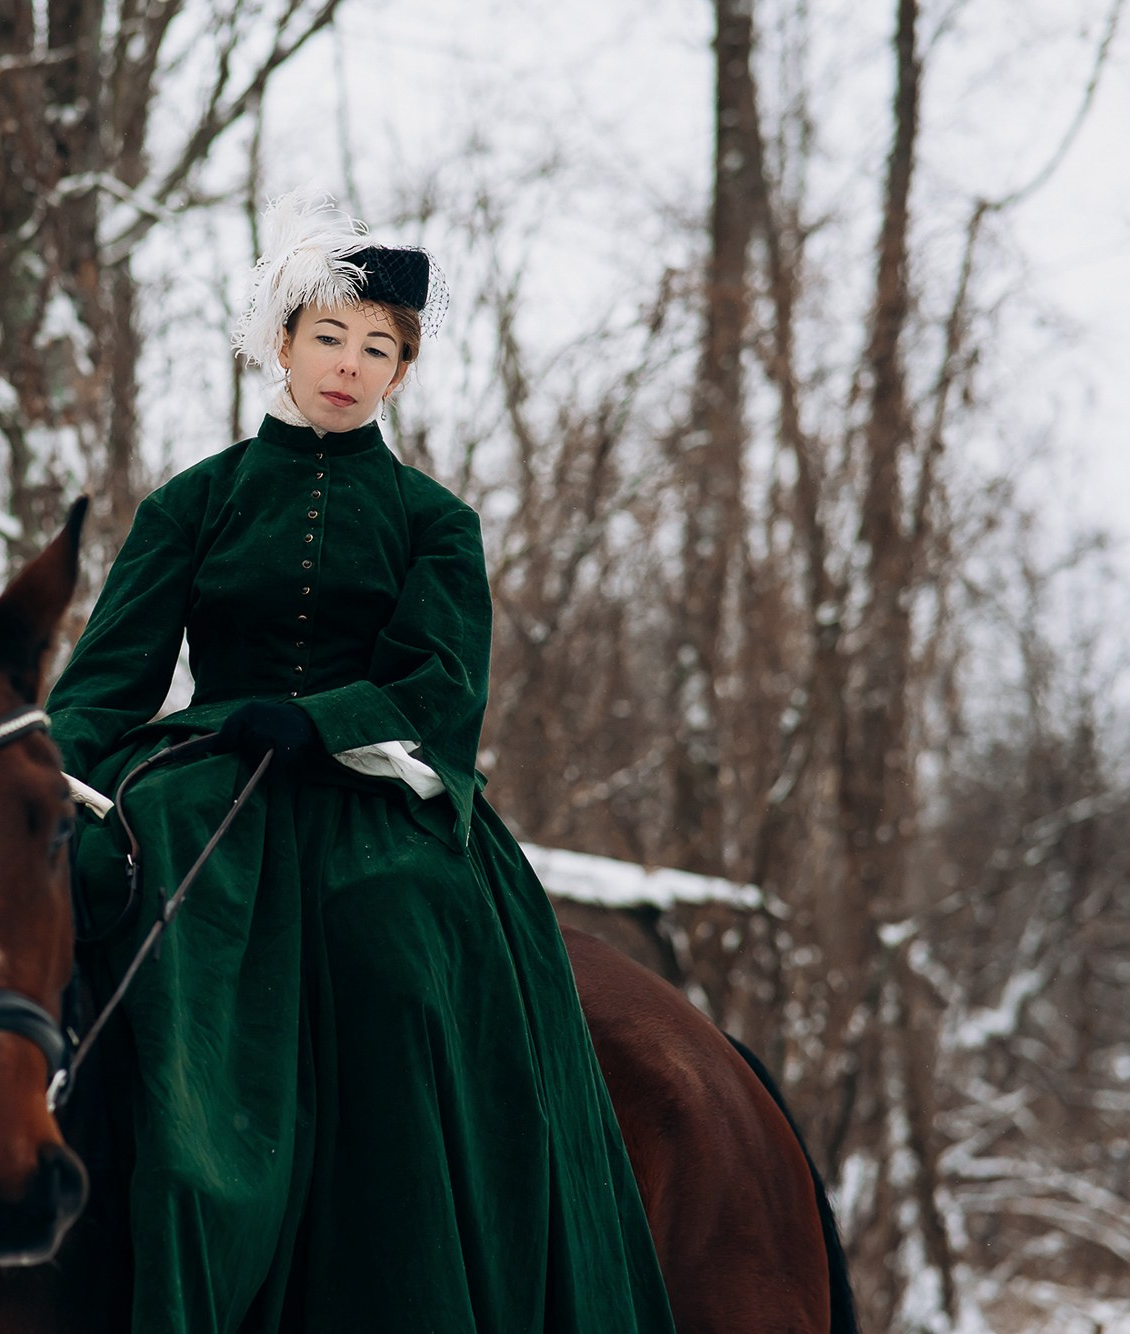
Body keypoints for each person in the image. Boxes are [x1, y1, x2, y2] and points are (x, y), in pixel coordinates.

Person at [48, 191, 675, 1333]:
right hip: (206, 777)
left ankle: (407, 1236)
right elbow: (108, 676)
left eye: (377, 347)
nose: (348, 364)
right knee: (100, 896)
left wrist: (327, 717)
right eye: (329, 336)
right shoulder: (190, 504)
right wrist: (50, 779)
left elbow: (443, 683)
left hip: (372, 795)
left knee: (400, 931)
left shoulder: (434, 521)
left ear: (401, 370)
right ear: (281, 343)